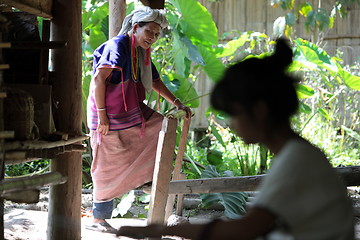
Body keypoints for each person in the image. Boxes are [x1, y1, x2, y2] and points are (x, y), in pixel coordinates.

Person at [116, 38, 354, 239]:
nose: (231, 124)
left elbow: (245, 229)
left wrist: (161, 230)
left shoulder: (297, 160)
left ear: (259, 111)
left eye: (234, 114)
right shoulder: (299, 155)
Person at [86, 6, 191, 233]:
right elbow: (98, 79)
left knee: (159, 127)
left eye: (156, 34)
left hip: (129, 109)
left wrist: (177, 103)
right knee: (107, 164)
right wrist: (102, 116)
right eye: (149, 32)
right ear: (135, 28)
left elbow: (154, 81)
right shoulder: (118, 46)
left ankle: (145, 178)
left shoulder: (140, 52)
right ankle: (98, 220)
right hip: (107, 114)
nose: (152, 38)